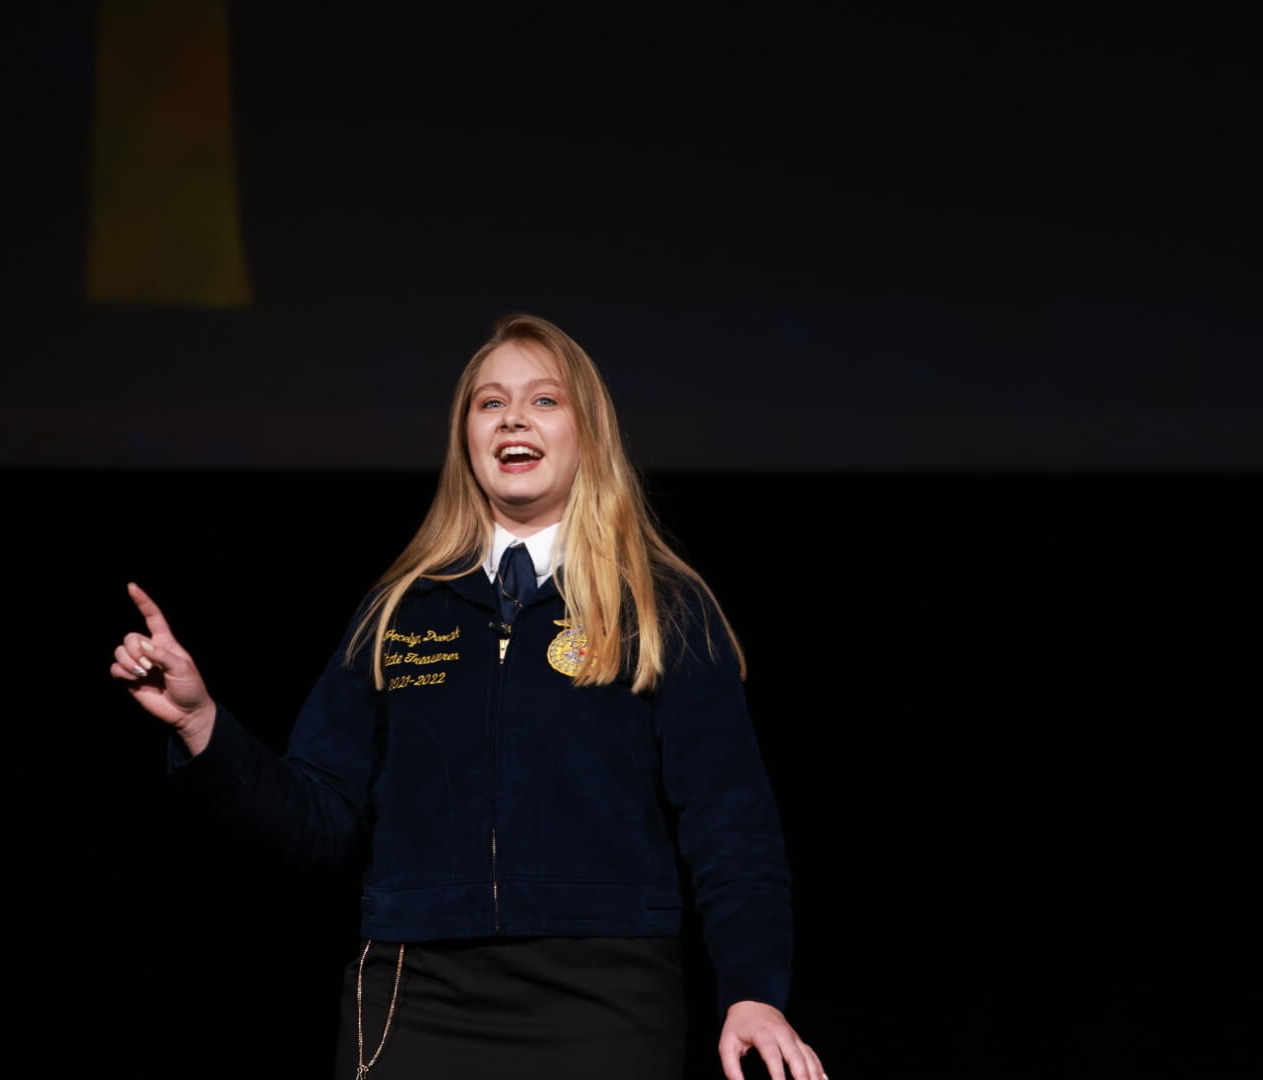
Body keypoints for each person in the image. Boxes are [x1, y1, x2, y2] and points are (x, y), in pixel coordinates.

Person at [111, 313, 825, 1080]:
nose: (514, 416)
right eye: (491, 402)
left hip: (606, 1003)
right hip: (416, 999)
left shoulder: (660, 608)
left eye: (545, 400)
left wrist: (754, 991)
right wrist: (201, 724)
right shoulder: (401, 611)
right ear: (466, 438)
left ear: (590, 433)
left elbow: (732, 826)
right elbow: (318, 820)